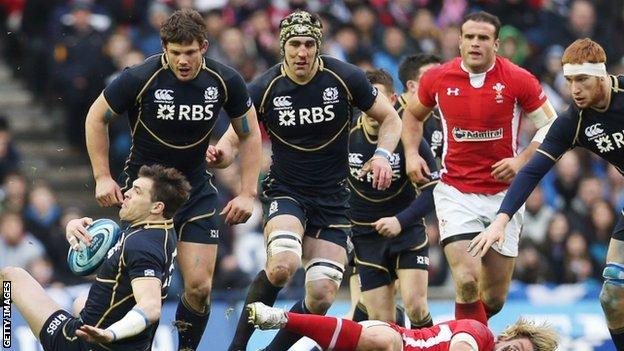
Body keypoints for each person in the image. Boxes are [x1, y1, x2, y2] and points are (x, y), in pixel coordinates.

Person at [84, 9, 262, 350]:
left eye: (190, 53)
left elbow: (249, 131)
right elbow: (96, 117)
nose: (183, 60)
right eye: (175, 52)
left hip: (195, 190)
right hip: (146, 194)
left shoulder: (225, 80)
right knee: (143, 288)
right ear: (164, 48)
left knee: (200, 288)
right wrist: (103, 177)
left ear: (204, 47)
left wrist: (247, 193)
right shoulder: (139, 77)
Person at [227, 10, 402, 351]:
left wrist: (381, 155)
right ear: (283, 47)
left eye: (309, 44)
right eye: (294, 44)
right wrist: (222, 151)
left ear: (318, 47)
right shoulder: (265, 86)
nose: (302, 52)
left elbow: (391, 119)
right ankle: (236, 347)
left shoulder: (345, 77)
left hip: (334, 199)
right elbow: (240, 131)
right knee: (282, 266)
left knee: (321, 296)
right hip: (287, 191)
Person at [401, 11, 559, 325]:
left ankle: (468, 334)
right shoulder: (438, 78)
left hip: (504, 197)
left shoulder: (518, 78)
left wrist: (520, 160)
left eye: (483, 38)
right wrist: (410, 154)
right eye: (469, 37)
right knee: (467, 280)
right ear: (459, 41)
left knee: (494, 299)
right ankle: (463, 342)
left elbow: (551, 126)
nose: (475, 43)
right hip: (455, 192)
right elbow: (412, 115)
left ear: (496, 44)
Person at [469, 38, 624, 348]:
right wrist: (501, 218)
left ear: (603, 75)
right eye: (569, 81)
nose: (574, 89)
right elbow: (532, 170)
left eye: (582, 79)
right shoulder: (575, 121)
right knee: (612, 294)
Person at [0, 164, 191, 350]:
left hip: (81, 343)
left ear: (157, 207)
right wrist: (72, 227)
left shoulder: (141, 245)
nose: (127, 193)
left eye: (137, 191)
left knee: (10, 277)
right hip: (133, 345)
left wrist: (111, 333)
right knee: (81, 301)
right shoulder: (163, 230)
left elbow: (151, 307)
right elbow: (122, 271)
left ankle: (5, 331)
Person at [347, 69, 438, 328]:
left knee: (416, 307)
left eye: (380, 99)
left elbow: (433, 188)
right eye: (367, 100)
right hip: (365, 237)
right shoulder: (346, 134)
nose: (373, 108)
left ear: (394, 98)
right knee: (381, 323)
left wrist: (400, 220)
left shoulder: (408, 135)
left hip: (406, 231)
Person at [247, 302, 559, 351]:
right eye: (516, 350)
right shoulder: (480, 336)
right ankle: (281, 318)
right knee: (387, 343)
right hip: (392, 339)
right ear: (508, 336)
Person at [396, 54, 444, 160]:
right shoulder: (389, 117)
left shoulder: (441, 117)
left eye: (442, 77)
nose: (440, 83)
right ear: (412, 86)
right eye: (432, 77)